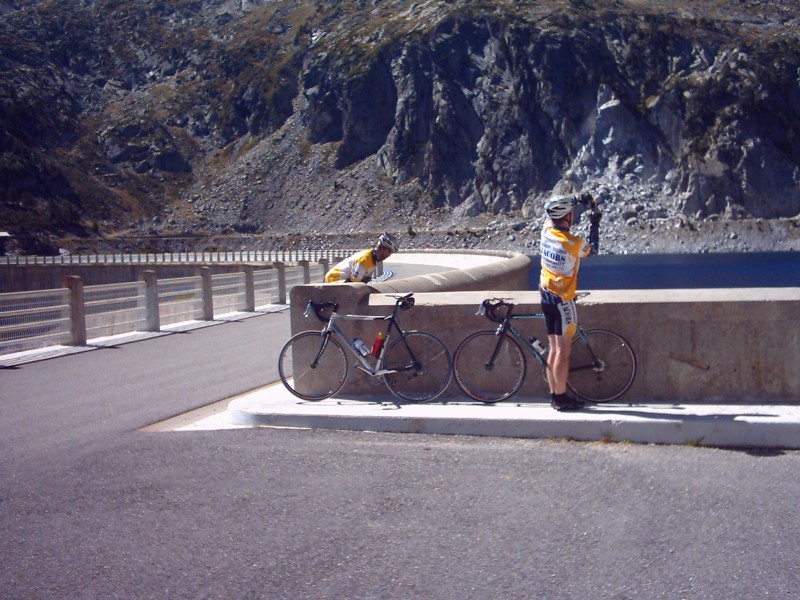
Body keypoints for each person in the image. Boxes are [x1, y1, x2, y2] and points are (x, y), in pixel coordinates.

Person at [539, 193, 602, 411]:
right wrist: (595, 222)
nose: (573, 215)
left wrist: (575, 198)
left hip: (545, 295)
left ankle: (554, 395)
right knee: (562, 351)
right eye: (570, 213)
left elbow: (549, 213)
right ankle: (561, 397)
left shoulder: (546, 231)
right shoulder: (572, 243)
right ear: (566, 217)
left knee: (553, 348)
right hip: (564, 300)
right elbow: (592, 249)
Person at [324, 232, 400, 283]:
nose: (389, 255)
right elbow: (355, 283)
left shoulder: (372, 260)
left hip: (342, 281)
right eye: (389, 252)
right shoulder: (365, 260)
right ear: (383, 249)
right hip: (333, 279)